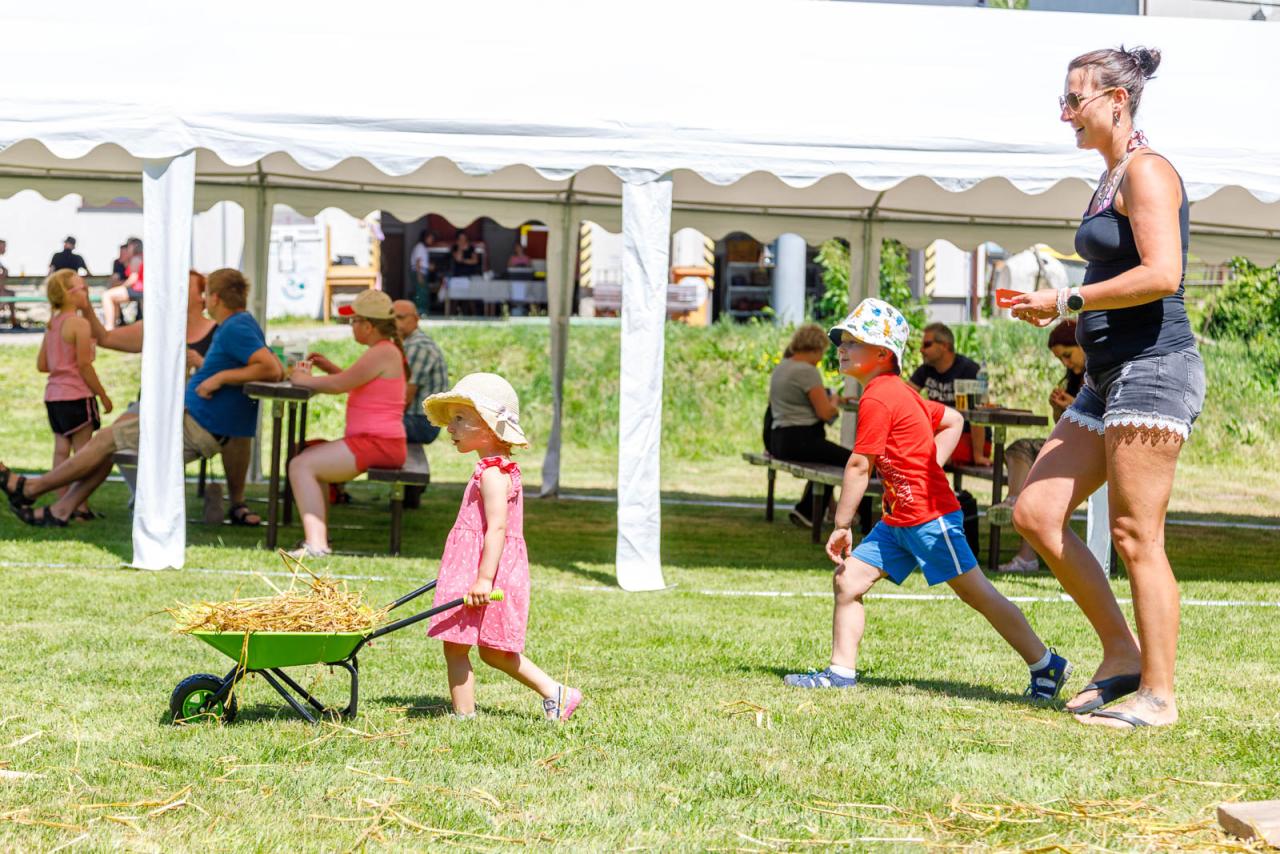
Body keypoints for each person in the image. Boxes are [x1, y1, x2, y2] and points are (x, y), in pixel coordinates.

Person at [1010, 46, 1203, 730]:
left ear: (1117, 100)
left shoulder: (1147, 170)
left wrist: (1067, 300)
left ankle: (1159, 695)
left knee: (1134, 534)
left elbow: (1163, 274)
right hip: (1105, 377)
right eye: (1063, 100)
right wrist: (1062, 306)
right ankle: (1121, 653)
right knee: (1036, 512)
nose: (1065, 112)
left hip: (1154, 367)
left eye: (1075, 99)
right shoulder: (1108, 176)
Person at [783, 298, 1071, 703]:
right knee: (848, 580)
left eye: (853, 341)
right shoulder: (897, 392)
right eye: (842, 341)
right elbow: (953, 419)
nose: (841, 348)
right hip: (899, 519)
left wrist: (843, 524)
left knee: (977, 594)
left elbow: (859, 465)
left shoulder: (880, 396)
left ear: (883, 353)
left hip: (930, 518)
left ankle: (1045, 664)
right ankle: (840, 673)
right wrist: (929, 463)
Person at [2, 269, 281, 526]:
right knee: (109, 441)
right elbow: (107, 338)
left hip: (196, 425)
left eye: (202, 291)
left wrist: (216, 377)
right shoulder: (224, 325)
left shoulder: (233, 327)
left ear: (212, 297)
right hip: (182, 415)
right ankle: (62, 508)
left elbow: (272, 368)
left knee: (105, 440)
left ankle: (31, 488)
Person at [423, 372, 582, 721]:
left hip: (486, 570)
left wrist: (483, 579)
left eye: (461, 419)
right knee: (471, 647)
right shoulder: (494, 468)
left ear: (491, 427)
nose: (451, 427)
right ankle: (551, 694)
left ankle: (548, 693)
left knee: (479, 649)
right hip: (482, 566)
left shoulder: (493, 474)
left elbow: (497, 528)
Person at [286, 290, 408, 558]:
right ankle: (318, 540)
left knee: (301, 465)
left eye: (354, 321)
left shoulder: (382, 352)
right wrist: (330, 368)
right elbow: (355, 381)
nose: (351, 326)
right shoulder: (383, 350)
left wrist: (302, 379)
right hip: (377, 442)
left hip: (379, 444)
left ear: (368, 326)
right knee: (309, 462)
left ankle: (316, 545)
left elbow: (340, 385)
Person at [993, 320, 1085, 574]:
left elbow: (1100, 420)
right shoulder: (1075, 379)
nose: (1065, 363)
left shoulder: (1099, 375)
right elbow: (1062, 425)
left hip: (1090, 454)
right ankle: (1015, 501)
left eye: (1067, 355)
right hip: (1071, 446)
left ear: (1082, 344)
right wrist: (1059, 409)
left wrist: (1073, 405)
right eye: (1060, 359)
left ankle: (1016, 507)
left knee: (1033, 465)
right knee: (1019, 449)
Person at [38, 270, 112, 521]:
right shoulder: (80, 325)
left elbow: (42, 364)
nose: (87, 294)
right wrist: (102, 395)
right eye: (83, 289)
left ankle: (62, 502)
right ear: (70, 294)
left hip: (54, 396)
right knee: (84, 454)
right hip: (77, 395)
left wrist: (60, 362)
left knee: (61, 450)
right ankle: (79, 507)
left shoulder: (52, 324)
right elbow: (84, 365)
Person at [767, 323, 847, 529]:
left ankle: (809, 510)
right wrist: (835, 401)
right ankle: (810, 512)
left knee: (828, 458)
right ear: (816, 348)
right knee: (850, 461)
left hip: (779, 438)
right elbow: (825, 413)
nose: (821, 358)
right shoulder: (807, 371)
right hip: (802, 439)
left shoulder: (783, 366)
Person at [907, 322, 990, 468]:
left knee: (923, 453)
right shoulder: (926, 369)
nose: (921, 350)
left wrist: (978, 455)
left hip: (971, 439)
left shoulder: (969, 370)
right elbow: (904, 397)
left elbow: (977, 414)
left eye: (927, 345)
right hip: (941, 434)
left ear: (944, 346)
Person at [102, 237, 143, 331]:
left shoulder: (136, 259)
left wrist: (122, 287)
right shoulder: (139, 257)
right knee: (113, 296)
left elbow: (133, 279)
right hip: (141, 289)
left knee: (107, 295)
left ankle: (110, 327)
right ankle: (116, 322)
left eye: (129, 247)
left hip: (139, 289)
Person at [409, 231, 436, 314]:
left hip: (422, 272)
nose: (432, 240)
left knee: (423, 292)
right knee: (420, 293)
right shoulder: (420, 247)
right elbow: (418, 262)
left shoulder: (423, 247)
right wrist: (419, 275)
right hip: (419, 273)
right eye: (430, 238)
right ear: (425, 238)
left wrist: (429, 266)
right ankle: (419, 312)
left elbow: (423, 263)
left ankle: (421, 312)